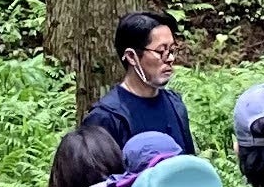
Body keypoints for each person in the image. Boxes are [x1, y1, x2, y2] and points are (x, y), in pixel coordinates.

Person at [83, 10, 195, 153]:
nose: (170, 59)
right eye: (161, 51)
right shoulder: (106, 117)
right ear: (131, 56)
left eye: (172, 50)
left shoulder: (175, 105)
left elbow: (189, 162)